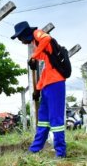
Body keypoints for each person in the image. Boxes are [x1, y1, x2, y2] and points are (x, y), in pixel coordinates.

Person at [11, 21, 66, 158]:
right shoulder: (39, 46)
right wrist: (37, 90)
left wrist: (33, 56)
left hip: (56, 83)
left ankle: (60, 153)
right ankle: (35, 150)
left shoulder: (37, 34)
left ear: (25, 34)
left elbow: (47, 38)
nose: (20, 41)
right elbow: (46, 71)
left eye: (20, 37)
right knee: (43, 120)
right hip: (47, 86)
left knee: (56, 120)